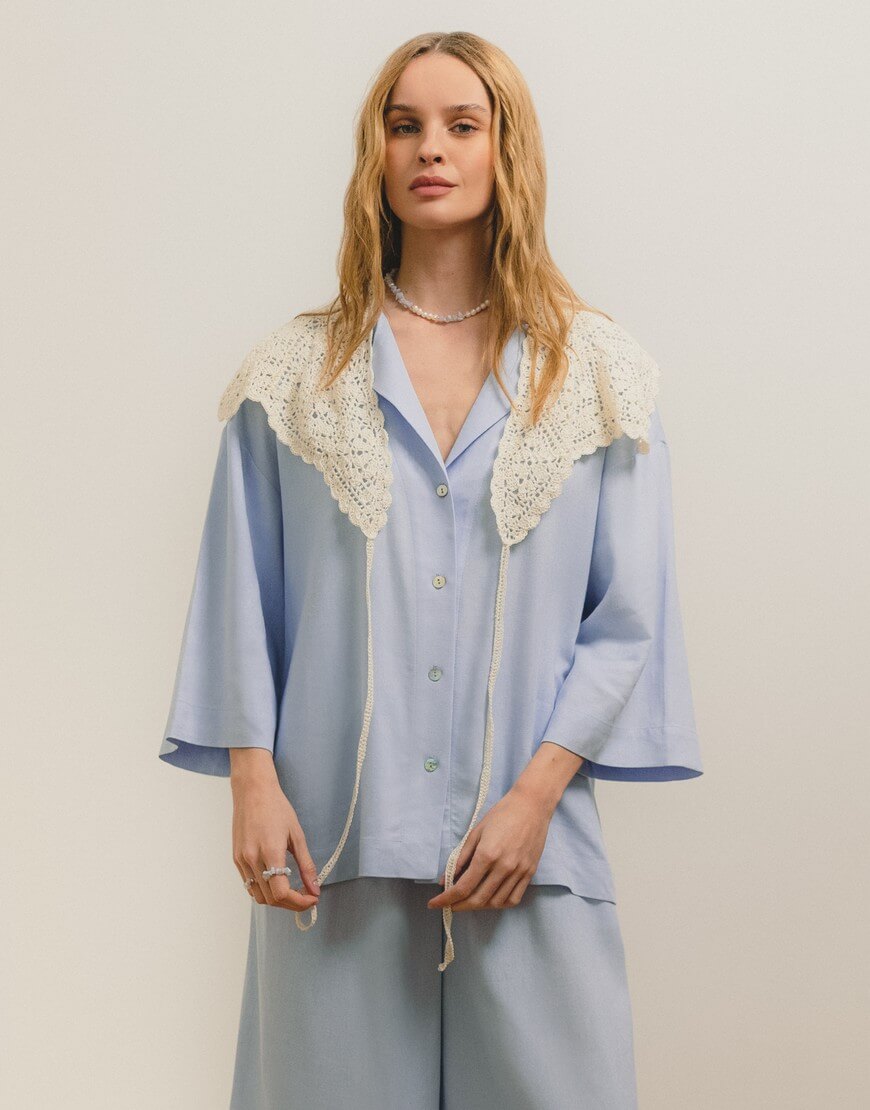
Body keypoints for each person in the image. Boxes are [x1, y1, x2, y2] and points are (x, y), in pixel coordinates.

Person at [158, 30, 703, 1110]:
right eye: (404, 125)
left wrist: (534, 799)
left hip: (528, 850)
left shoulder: (597, 375)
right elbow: (239, 599)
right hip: (334, 846)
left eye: (463, 124)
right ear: (376, 152)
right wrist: (253, 785)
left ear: (509, 149)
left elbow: (627, 619)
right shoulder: (292, 376)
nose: (431, 149)